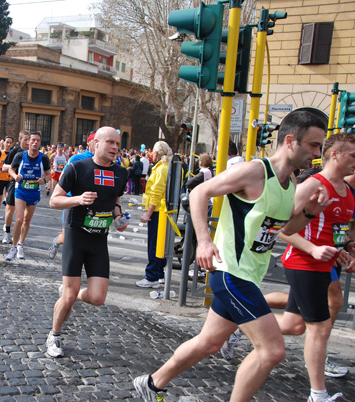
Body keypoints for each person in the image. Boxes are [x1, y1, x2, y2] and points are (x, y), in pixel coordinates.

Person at [133, 110, 329, 402]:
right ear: (290, 141)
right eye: (314, 145)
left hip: (250, 273)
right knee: (272, 351)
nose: (318, 153)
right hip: (231, 273)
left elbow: (285, 227)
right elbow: (200, 193)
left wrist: (311, 213)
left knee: (210, 342)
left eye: (321, 146)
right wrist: (203, 242)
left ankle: (152, 383)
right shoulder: (254, 171)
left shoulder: (290, 183)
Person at [271, 133, 355, 402]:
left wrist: (348, 249)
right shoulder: (313, 185)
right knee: (318, 329)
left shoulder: (348, 189)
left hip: (326, 264)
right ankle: (318, 394)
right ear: (335, 155)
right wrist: (313, 248)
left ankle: (242, 321)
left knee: (295, 325)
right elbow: (281, 229)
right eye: (353, 155)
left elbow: (342, 229)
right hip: (304, 263)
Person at [45, 126, 129, 358]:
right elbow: (54, 201)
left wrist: (119, 218)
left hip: (99, 239)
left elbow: (115, 202)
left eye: (118, 144)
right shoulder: (77, 167)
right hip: (76, 236)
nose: (114, 148)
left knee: (97, 298)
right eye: (110, 142)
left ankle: (68, 292)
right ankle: (55, 335)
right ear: (97, 143)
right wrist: (78, 199)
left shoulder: (121, 173)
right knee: (69, 297)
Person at [48, 132, 97, 259]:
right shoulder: (76, 158)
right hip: (72, 201)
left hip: (92, 203)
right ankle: (56, 242)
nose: (98, 144)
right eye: (95, 141)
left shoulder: (105, 162)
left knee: (91, 236)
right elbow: (64, 179)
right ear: (89, 143)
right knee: (66, 237)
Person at [5, 132, 51, 260]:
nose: (35, 142)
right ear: (28, 142)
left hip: (34, 191)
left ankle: (20, 244)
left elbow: (48, 174)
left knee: (27, 220)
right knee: (19, 219)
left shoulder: (44, 158)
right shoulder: (20, 155)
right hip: (20, 190)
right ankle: (13, 247)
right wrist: (15, 177)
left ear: (40, 143)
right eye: (33, 140)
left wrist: (44, 180)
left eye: (38, 140)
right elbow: (11, 169)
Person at [135, 141, 172, 289]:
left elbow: (157, 193)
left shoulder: (161, 168)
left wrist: (148, 213)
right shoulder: (166, 166)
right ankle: (159, 274)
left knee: (154, 245)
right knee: (159, 244)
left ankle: (152, 277)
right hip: (161, 211)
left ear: (157, 153)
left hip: (158, 212)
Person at [1, 130, 30, 244]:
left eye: (29, 139)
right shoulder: (15, 152)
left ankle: (19, 238)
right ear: (20, 139)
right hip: (15, 182)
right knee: (10, 209)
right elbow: (4, 167)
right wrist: (17, 166)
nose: (27, 142)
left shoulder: (33, 153)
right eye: (25, 139)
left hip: (29, 185)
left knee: (24, 214)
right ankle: (7, 233)